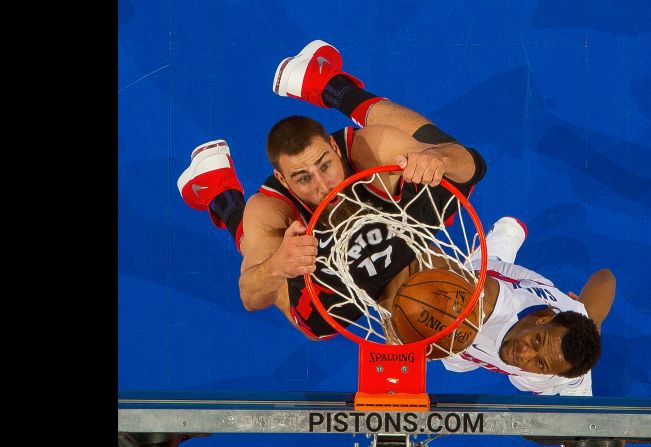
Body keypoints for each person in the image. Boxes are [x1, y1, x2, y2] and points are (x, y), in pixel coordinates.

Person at [177, 40, 487, 340]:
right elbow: (250, 295)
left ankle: (331, 86)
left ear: (334, 149)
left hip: (397, 222)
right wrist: (277, 265)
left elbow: (472, 165)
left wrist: (437, 158)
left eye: (325, 166)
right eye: (302, 178)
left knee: (448, 163)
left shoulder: (367, 147)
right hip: (330, 270)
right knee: (310, 321)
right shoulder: (271, 208)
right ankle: (222, 196)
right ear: (283, 181)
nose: (323, 185)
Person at [436, 216, 616, 396]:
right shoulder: (483, 301)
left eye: (540, 363)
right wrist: (593, 322)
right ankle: (505, 235)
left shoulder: (556, 372)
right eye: (537, 340)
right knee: (451, 355)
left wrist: (592, 326)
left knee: (456, 362)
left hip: (543, 374)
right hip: (487, 285)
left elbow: (607, 279)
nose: (524, 355)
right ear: (543, 320)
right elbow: (606, 278)